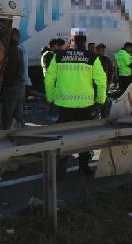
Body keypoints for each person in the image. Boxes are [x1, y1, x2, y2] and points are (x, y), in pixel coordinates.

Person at [45, 28, 107, 177]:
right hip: (86, 105)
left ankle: (60, 170)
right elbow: (101, 81)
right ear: (85, 41)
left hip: (64, 105)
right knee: (84, 138)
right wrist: (100, 100)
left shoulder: (59, 55)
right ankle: (83, 167)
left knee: (62, 138)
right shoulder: (92, 57)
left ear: (71, 41)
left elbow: (49, 78)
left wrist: (50, 97)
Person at [0, 28, 25, 129]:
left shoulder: (10, 50)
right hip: (18, 84)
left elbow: (3, 68)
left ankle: (7, 132)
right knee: (18, 111)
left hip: (11, 85)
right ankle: (19, 128)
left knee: (8, 113)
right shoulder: (18, 50)